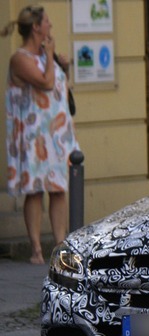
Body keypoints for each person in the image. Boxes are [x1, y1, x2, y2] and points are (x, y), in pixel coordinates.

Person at [2, 5, 79, 264]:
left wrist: (63, 67)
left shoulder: (48, 55)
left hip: (56, 135)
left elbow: (58, 88)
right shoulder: (20, 58)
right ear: (36, 27)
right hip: (34, 136)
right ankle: (36, 250)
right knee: (35, 191)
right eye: (46, 22)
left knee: (58, 189)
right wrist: (49, 56)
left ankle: (59, 248)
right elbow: (45, 83)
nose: (50, 26)